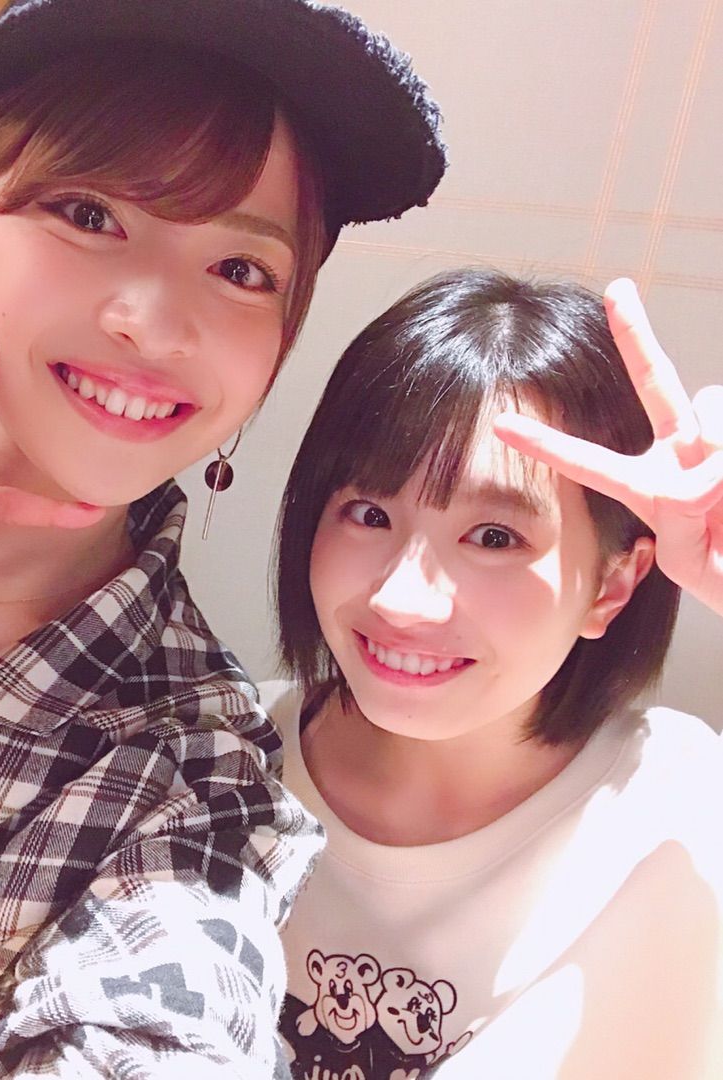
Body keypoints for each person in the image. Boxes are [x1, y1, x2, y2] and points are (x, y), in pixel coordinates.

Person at [0, 1, 447, 1075]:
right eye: (88, 213)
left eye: (242, 271)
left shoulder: (190, 780)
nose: (154, 325)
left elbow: (169, 1015)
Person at [266, 268, 723, 1080]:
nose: (401, 599)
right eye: (369, 514)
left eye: (493, 538)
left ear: (612, 584)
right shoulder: (208, 763)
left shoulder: (683, 812)